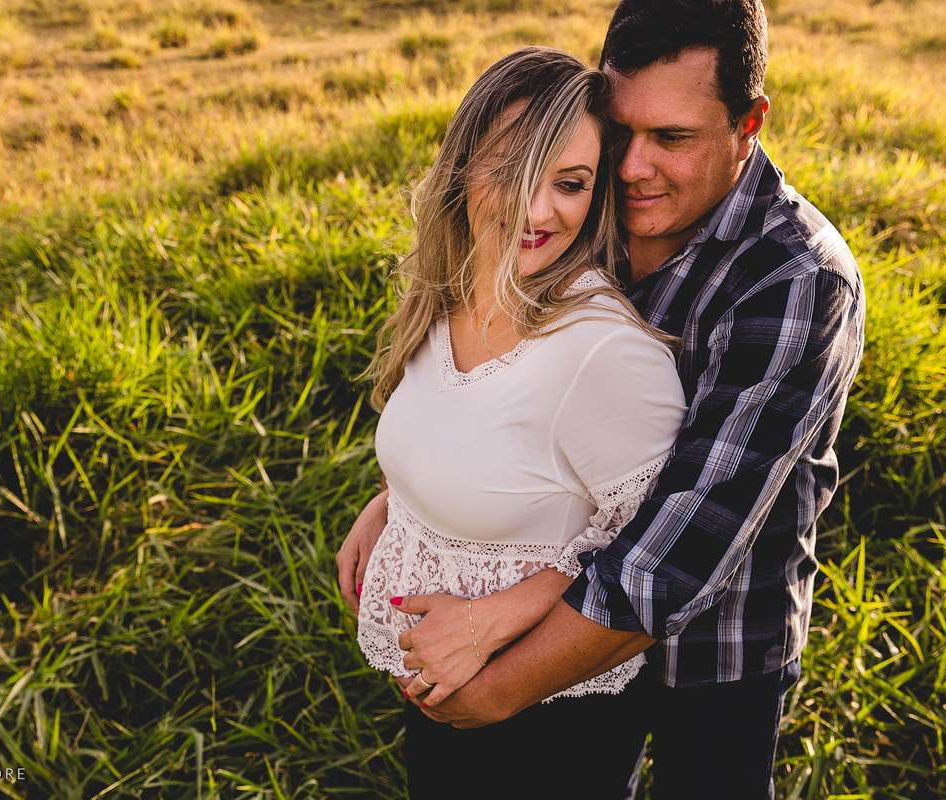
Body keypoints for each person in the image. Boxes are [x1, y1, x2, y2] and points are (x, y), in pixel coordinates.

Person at [338, 1, 867, 797]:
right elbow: (496, 386)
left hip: (719, 636)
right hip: (558, 624)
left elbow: (679, 552)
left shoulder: (798, 279)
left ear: (749, 121)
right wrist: (404, 500)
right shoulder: (581, 200)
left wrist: (497, 688)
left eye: (674, 138)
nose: (633, 167)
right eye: (621, 132)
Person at [345, 46, 687, 798]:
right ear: (463, 167)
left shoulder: (602, 351)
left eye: (570, 184)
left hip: (550, 715)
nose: (538, 212)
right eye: (511, 170)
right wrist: (396, 503)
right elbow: (470, 436)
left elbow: (657, 552)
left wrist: (497, 617)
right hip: (439, 682)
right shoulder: (453, 287)